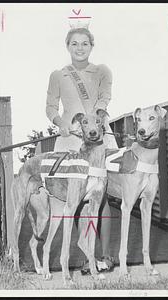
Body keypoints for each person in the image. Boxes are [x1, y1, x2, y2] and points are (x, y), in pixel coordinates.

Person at [45, 26, 118, 274]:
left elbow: (104, 100)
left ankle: (106, 256)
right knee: (74, 199)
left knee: (101, 195)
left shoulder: (102, 71)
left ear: (91, 45)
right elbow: (51, 108)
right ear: (68, 46)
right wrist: (61, 123)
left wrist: (91, 125)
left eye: (84, 43)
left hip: (96, 135)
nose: (79, 48)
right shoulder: (58, 75)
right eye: (74, 43)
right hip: (70, 140)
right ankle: (88, 256)